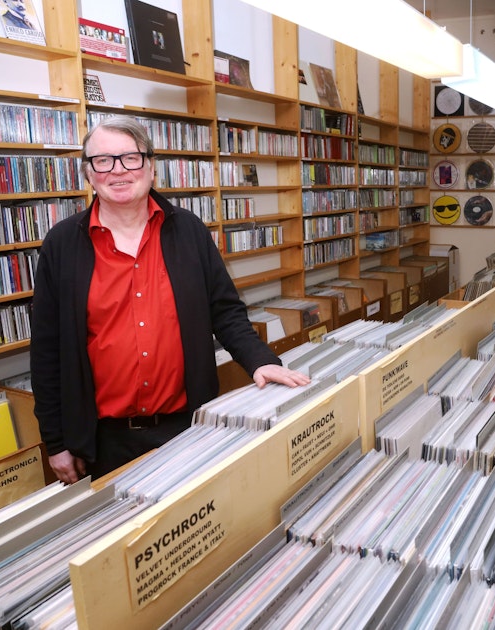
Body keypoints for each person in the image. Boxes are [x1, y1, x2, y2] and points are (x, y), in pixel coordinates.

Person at [31, 115, 310, 484]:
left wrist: (260, 362)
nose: (118, 170)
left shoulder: (189, 231)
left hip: (189, 427)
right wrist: (55, 441)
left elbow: (225, 311)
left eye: (131, 158)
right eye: (103, 160)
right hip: (104, 443)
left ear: (151, 167)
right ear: (88, 172)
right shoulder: (62, 245)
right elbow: (47, 350)